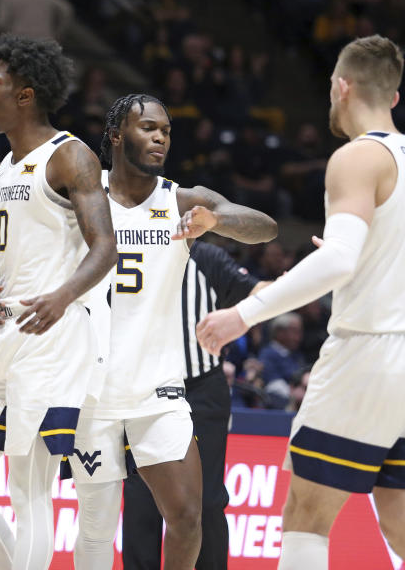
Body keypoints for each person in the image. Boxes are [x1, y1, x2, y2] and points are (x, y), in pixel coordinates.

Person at [197, 35, 405, 570]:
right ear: (392, 97)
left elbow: (339, 261)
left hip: (372, 357)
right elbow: (382, 254)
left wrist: (241, 314)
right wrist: (353, 256)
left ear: (342, 87)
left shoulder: (356, 156)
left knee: (304, 513)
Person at [67, 94, 277, 570]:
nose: (161, 137)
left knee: (186, 517)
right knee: (97, 528)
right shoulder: (82, 192)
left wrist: (218, 220)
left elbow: (265, 228)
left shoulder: (182, 200)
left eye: (166, 130)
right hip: (91, 388)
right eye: (148, 128)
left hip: (158, 390)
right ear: (117, 134)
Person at [0, 33, 117, 570]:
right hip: (5, 337)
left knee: (29, 492)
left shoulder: (70, 156)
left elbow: (106, 247)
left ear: (25, 95)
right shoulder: (4, 168)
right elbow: (25, 262)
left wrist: (61, 296)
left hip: (53, 338)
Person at [122, 238, 269, 570]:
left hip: (200, 388)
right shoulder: (129, 246)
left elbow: (258, 289)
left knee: (207, 499)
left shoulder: (205, 257)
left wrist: (306, 277)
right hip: (143, 387)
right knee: (140, 496)